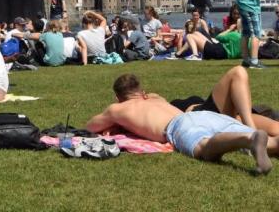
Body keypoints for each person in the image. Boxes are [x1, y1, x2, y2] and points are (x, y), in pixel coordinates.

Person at [86, 73, 278, 174]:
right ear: (140, 91)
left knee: (204, 148)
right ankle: (271, 142)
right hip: (204, 114)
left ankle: (249, 138)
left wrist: (113, 123)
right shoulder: (155, 99)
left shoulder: (117, 109)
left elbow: (91, 127)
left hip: (179, 125)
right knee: (271, 144)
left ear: (117, 96)